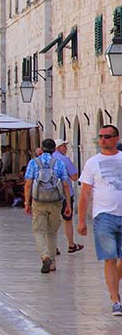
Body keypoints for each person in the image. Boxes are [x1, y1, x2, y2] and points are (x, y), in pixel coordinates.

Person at [78, 125, 122, 316]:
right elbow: (85, 193)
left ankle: (113, 283)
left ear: (116, 138)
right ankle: (115, 300)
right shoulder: (92, 163)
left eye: (107, 136)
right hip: (103, 216)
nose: (103, 140)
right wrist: (81, 220)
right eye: (101, 137)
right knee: (110, 257)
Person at [24, 138, 71, 274]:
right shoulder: (59, 163)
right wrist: (68, 204)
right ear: (54, 149)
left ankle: (45, 256)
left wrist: (27, 202)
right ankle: (52, 263)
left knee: (38, 231)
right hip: (55, 201)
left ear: (42, 148)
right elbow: (66, 184)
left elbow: (28, 184)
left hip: (39, 201)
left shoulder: (34, 162)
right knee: (52, 232)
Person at [53, 140, 84, 254]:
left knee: (52, 222)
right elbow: (74, 177)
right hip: (65, 195)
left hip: (50, 196)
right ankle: (71, 245)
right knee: (67, 220)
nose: (66, 148)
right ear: (58, 148)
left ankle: (53, 246)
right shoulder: (64, 159)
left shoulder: (46, 160)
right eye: (64, 146)